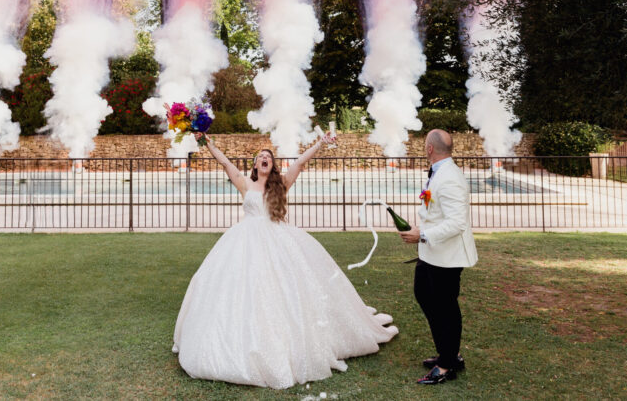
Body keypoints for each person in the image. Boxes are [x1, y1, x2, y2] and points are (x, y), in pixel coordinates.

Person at [172, 132, 398, 389]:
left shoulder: (281, 185)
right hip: (244, 242)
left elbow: (300, 163)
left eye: (268, 156)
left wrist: (320, 143)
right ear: (255, 164)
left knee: (283, 288)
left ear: (272, 164)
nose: (265, 158)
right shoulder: (245, 183)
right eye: (261, 157)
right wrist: (206, 142)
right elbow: (225, 163)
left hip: (277, 240)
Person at [399, 129, 478, 385]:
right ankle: (448, 352)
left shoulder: (450, 177)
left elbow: (457, 223)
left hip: (447, 256)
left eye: (424, 145)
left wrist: (421, 234)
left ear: (429, 149)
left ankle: (447, 364)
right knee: (423, 294)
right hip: (432, 253)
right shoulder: (439, 171)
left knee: (445, 307)